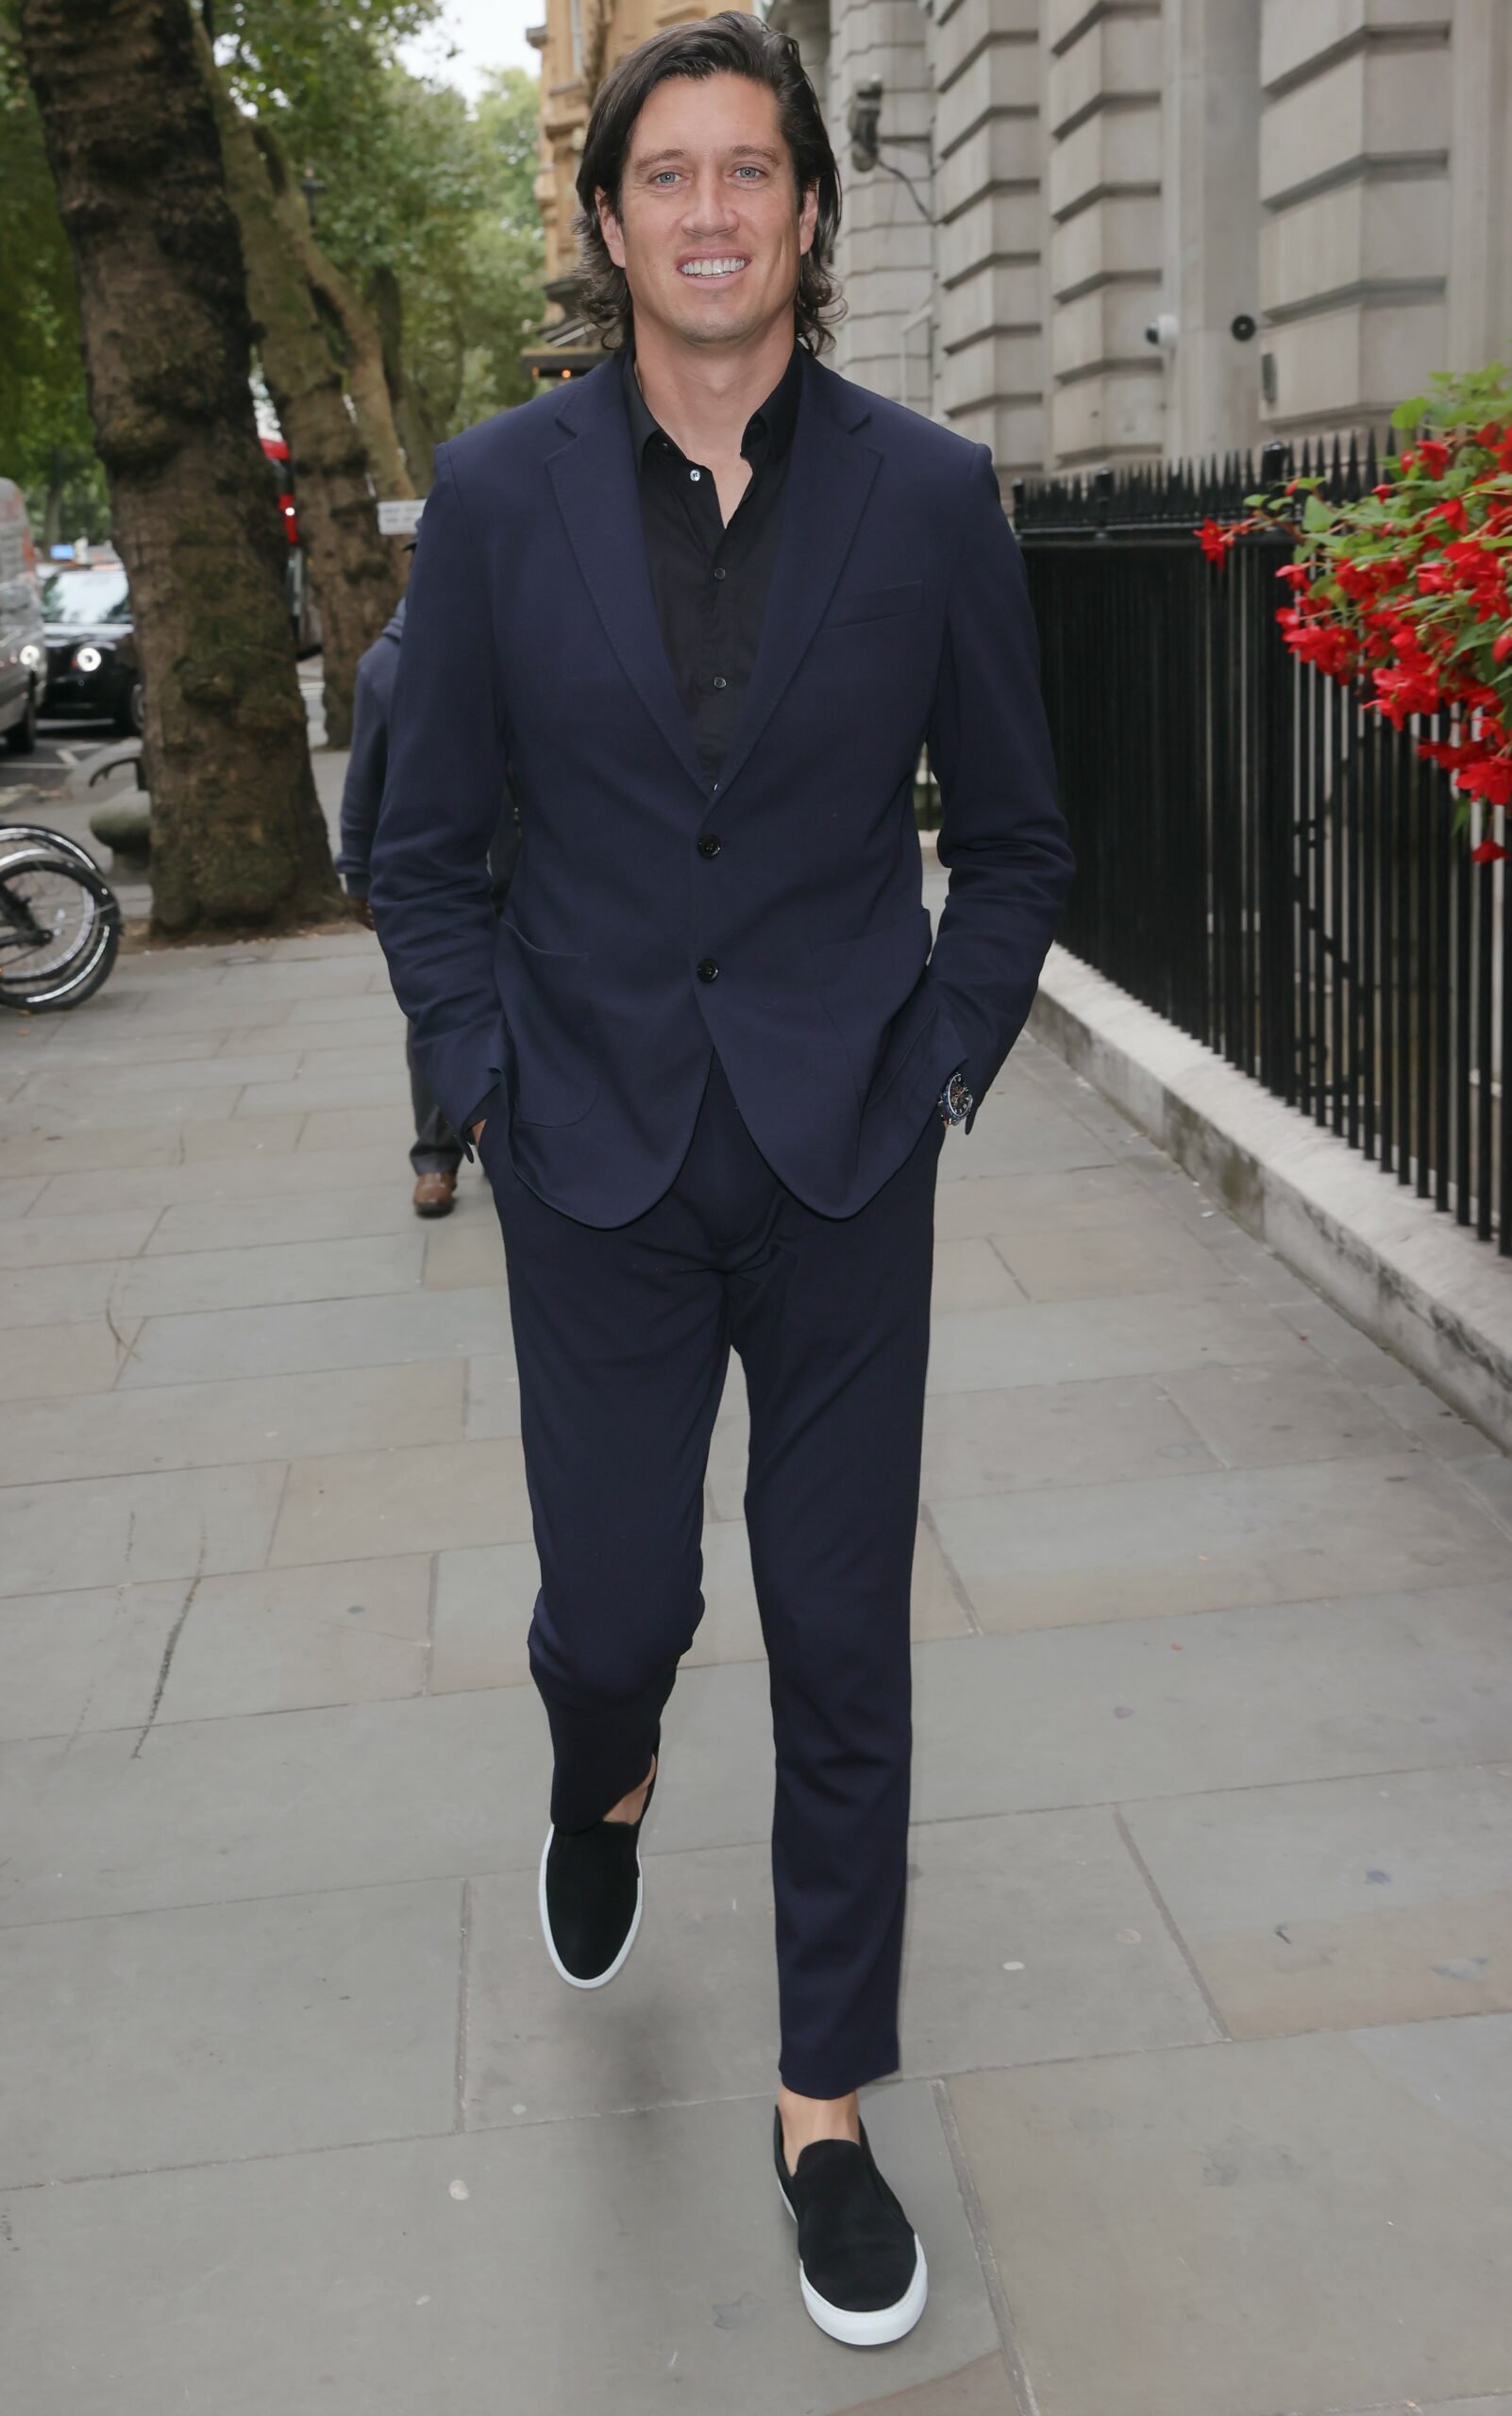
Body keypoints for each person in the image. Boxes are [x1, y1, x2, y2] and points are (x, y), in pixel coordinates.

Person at [368, 9, 1072, 2349]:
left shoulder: (923, 490)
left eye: (744, 172)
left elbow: (1019, 832)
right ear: (604, 219)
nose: (703, 209)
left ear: (804, 213)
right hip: (587, 1146)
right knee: (606, 1607)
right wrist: (467, 1068)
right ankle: (604, 1767)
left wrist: (944, 1061)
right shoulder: (492, 497)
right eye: (660, 173)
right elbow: (425, 837)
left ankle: (820, 2103)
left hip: (846, 1142)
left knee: (844, 1629)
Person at [337, 591, 520, 1215]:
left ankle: (513, 1135)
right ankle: (436, 1155)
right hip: (438, 879)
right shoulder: (386, 668)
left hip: (525, 868)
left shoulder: (518, 639)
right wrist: (357, 873)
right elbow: (364, 778)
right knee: (438, 1013)